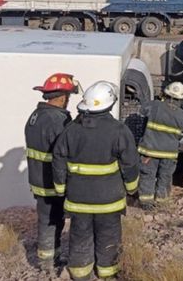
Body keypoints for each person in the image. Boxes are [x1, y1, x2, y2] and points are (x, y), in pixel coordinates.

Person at [52, 81, 140, 281]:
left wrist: (60, 189)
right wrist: (132, 188)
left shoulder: (70, 130)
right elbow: (130, 164)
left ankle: (80, 274)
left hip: (78, 201)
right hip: (109, 202)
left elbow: (58, 160)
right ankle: (107, 273)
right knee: (108, 238)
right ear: (110, 104)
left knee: (80, 237)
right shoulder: (119, 131)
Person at [25, 73, 78, 274]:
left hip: (38, 179)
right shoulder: (58, 120)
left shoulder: (35, 115)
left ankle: (52, 257)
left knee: (49, 218)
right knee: (51, 220)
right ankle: (47, 264)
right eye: (68, 97)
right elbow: (64, 152)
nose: (69, 101)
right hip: (52, 181)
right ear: (62, 97)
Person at [137, 82, 183, 209]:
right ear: (181, 99)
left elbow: (142, 110)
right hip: (169, 154)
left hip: (150, 151)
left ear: (165, 94)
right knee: (165, 177)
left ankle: (146, 203)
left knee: (148, 176)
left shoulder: (155, 106)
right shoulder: (182, 114)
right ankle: (162, 202)